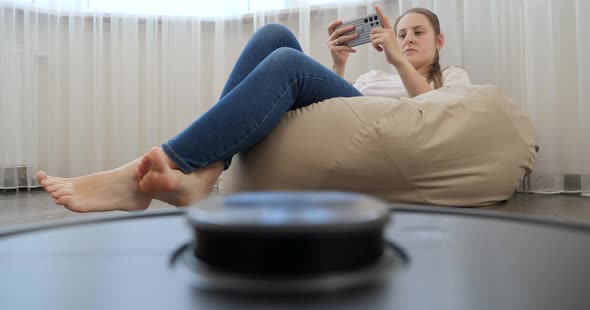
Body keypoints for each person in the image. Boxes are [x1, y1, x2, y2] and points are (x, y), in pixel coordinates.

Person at [36, 5, 471, 213]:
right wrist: (338, 64)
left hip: (390, 136)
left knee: (286, 63)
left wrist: (396, 57)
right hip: (358, 112)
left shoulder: (453, 78)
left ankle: (159, 170)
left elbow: (436, 116)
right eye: (402, 32)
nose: (409, 38)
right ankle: (203, 176)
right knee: (273, 37)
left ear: (440, 42)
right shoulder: (371, 81)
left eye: (418, 33)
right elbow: (335, 117)